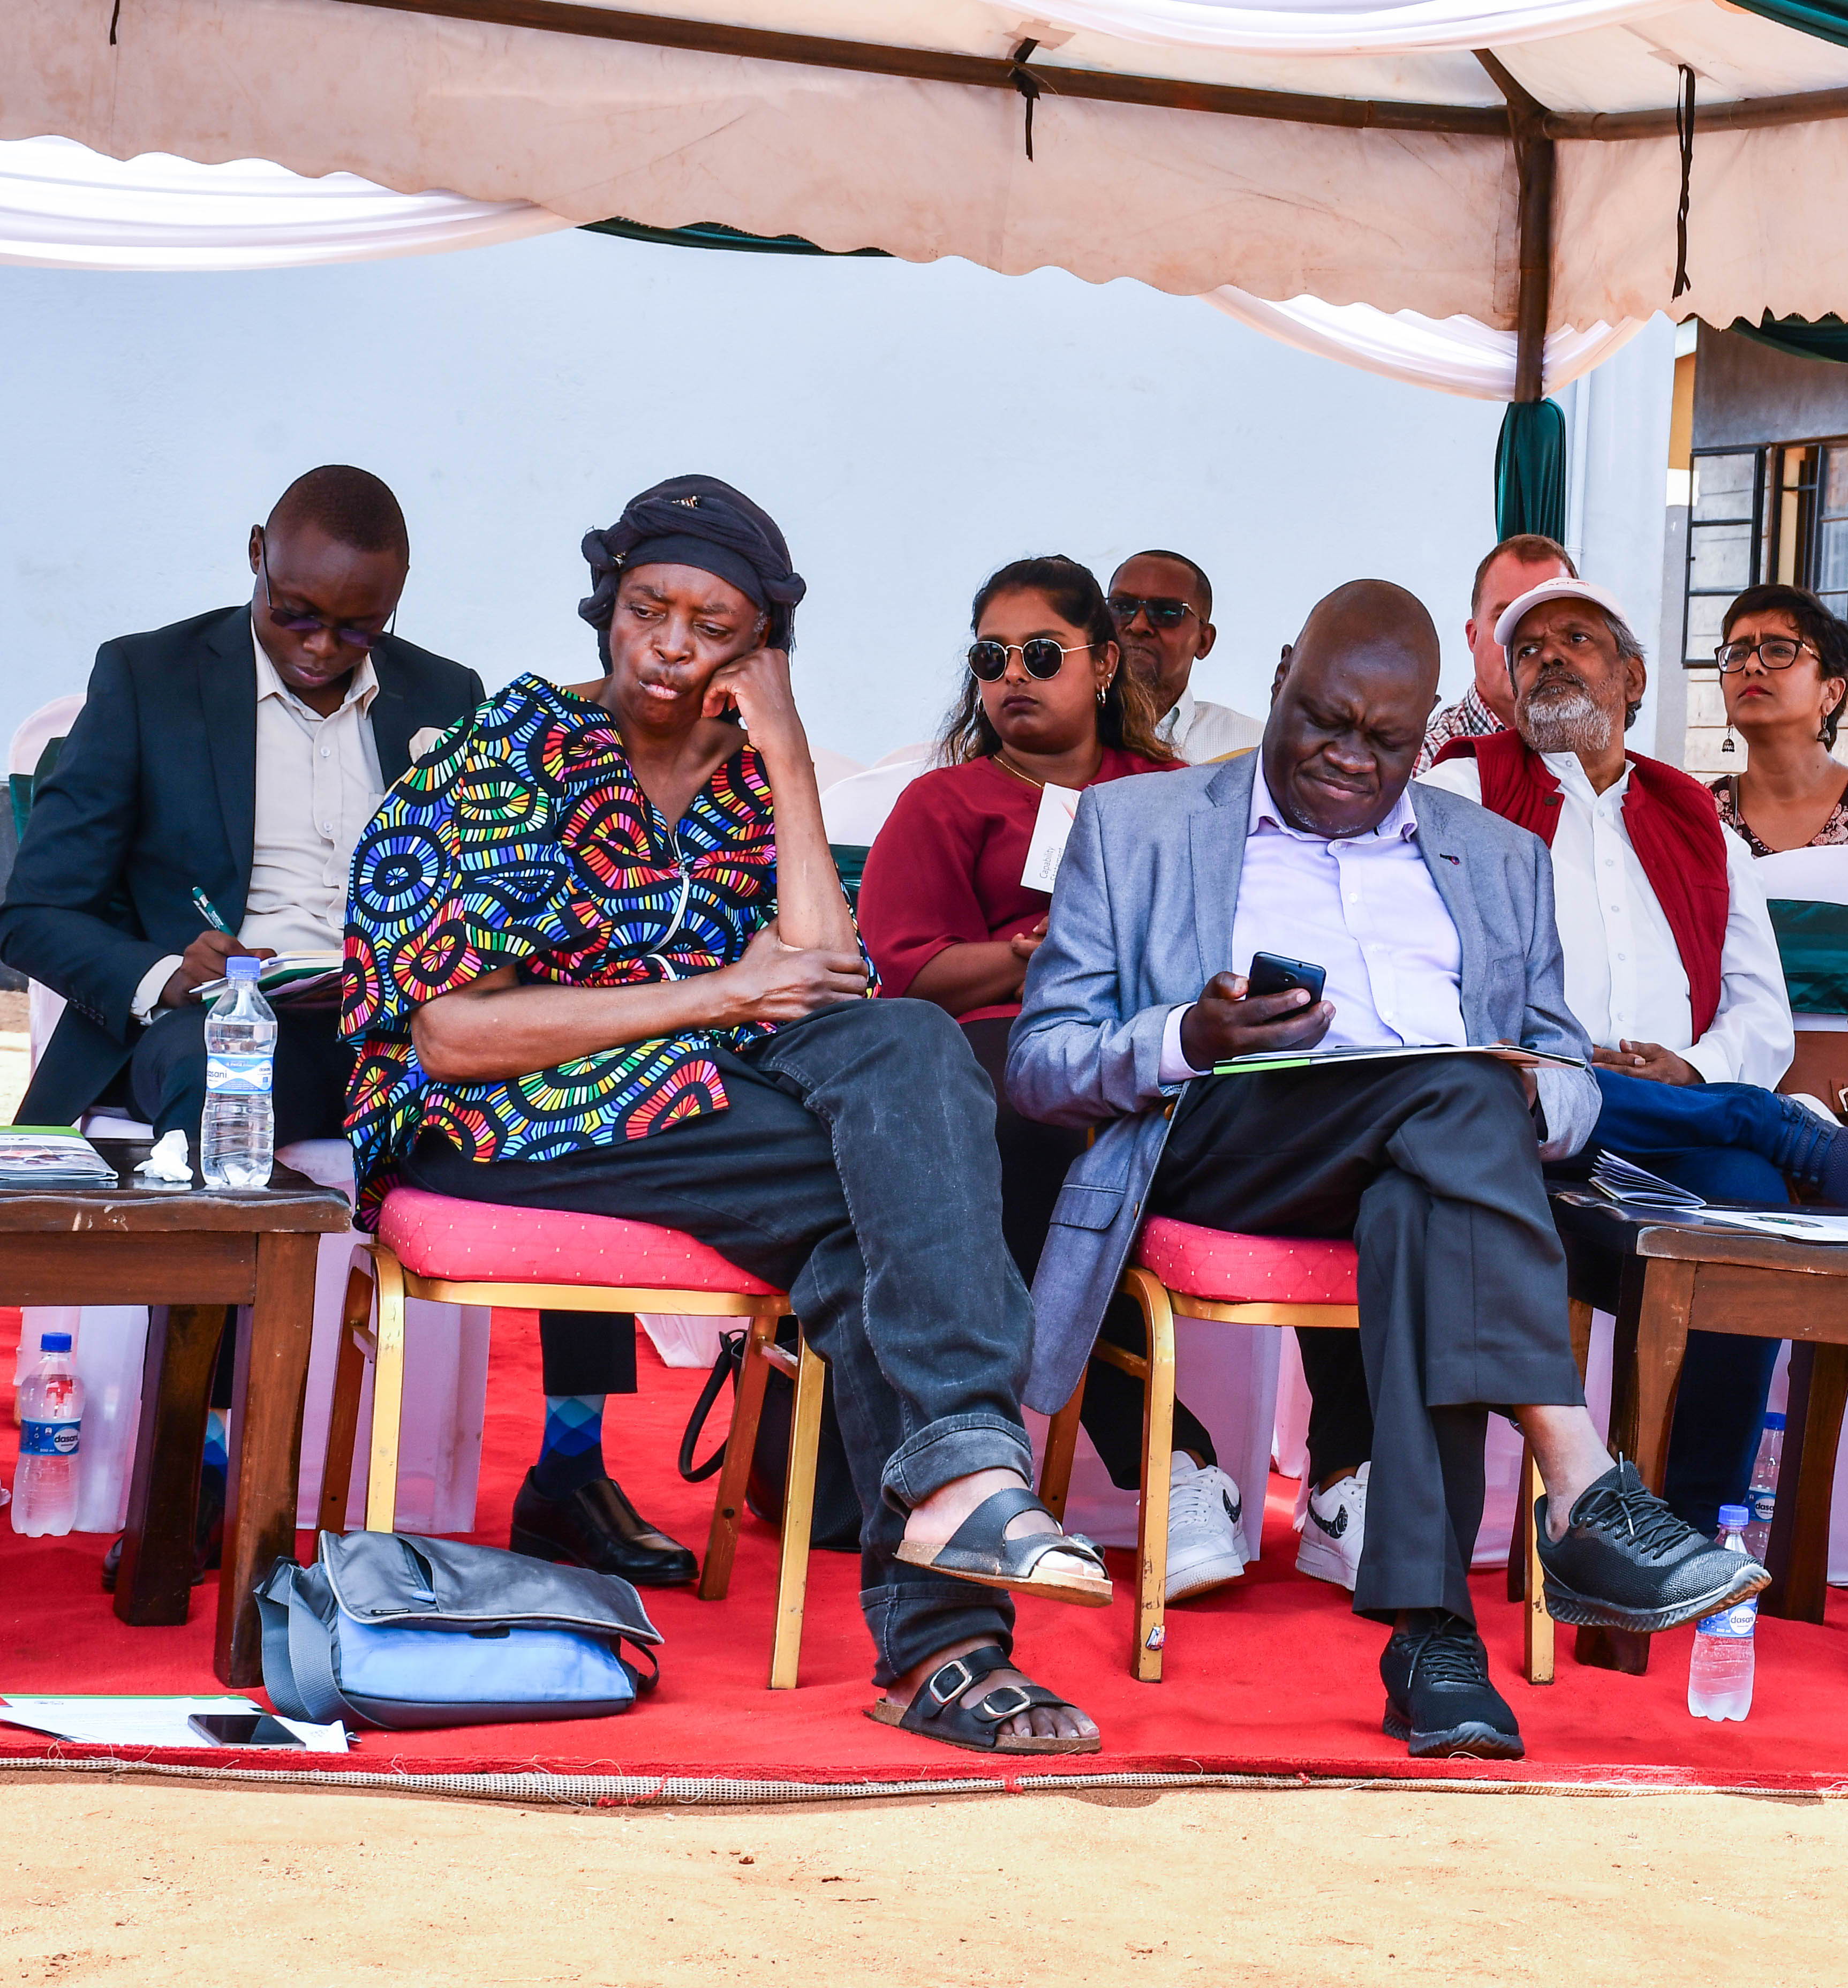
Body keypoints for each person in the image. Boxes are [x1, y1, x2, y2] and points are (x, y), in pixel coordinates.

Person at [343, 476, 1106, 1754]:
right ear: (608, 607)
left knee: (905, 1082)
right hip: (490, 1124)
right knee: (900, 1176)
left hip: (691, 1107)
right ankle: (956, 1588)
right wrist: (721, 989)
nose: (675, 644)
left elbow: (825, 987)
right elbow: (451, 1033)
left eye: (713, 623)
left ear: (762, 644)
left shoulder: (753, 781)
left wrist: (793, 757)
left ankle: (955, 1542)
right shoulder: (511, 748)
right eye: (649, 609)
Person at [1008, 578, 1767, 1760]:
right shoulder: (1138, 824)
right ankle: (1581, 1475)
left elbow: (1566, 1068)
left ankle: (1434, 1641)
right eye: (1323, 720)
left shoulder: (1502, 857)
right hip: (1225, 1137)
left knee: (1437, 1184)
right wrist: (1183, 1037)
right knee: (1456, 1107)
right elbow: (1041, 1065)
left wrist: (1529, 1093)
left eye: (1387, 740)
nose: (1350, 760)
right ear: (1277, 684)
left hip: (1429, 1164)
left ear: (1429, 738)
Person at [0, 465, 487, 1588]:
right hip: (220, 1019)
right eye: (297, 612)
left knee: (587, 1089)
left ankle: (572, 1453)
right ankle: (194, 1473)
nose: (323, 646)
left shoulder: (447, 697)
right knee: (223, 1080)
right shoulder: (150, 677)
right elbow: (30, 913)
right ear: (257, 551)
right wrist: (170, 971)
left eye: (359, 625)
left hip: (401, 1026)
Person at [1421, 576, 1848, 1532]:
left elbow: (1760, 1016)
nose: (1548, 658)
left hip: (1662, 1122)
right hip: (1511, 1111)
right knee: (1571, 1084)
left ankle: (1695, 1517)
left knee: (1755, 1207)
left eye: (1575, 640)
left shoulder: (1696, 816)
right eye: (1528, 649)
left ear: (1632, 675)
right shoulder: (1463, 788)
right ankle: (1771, 1125)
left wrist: (1691, 1068)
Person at [856, 555, 1238, 1599]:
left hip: (1161, 1055)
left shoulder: (1172, 797)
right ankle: (1174, 1463)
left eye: (1040, 653)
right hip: (991, 1050)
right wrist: (1031, 956)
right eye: (990, 657)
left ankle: (1334, 1472)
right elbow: (906, 973)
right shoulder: (946, 801)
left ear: (1104, 662)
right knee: (1033, 1119)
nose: (1012, 674)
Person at [1703, 583, 1848, 857]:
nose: (1751, 666)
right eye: (1736, 654)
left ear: (1831, 692)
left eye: (1779, 650)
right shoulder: (1696, 814)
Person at [1413, 533, 1574, 773]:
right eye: (1506, 619)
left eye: (1553, 622)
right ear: (1473, 636)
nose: (1529, 642)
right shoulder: (1426, 766)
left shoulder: (1594, 752)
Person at [1110, 549, 1263, 764]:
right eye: (1122, 607)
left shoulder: (1251, 749)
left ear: (1203, 642)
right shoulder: (1064, 733)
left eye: (1167, 612)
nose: (1138, 625)